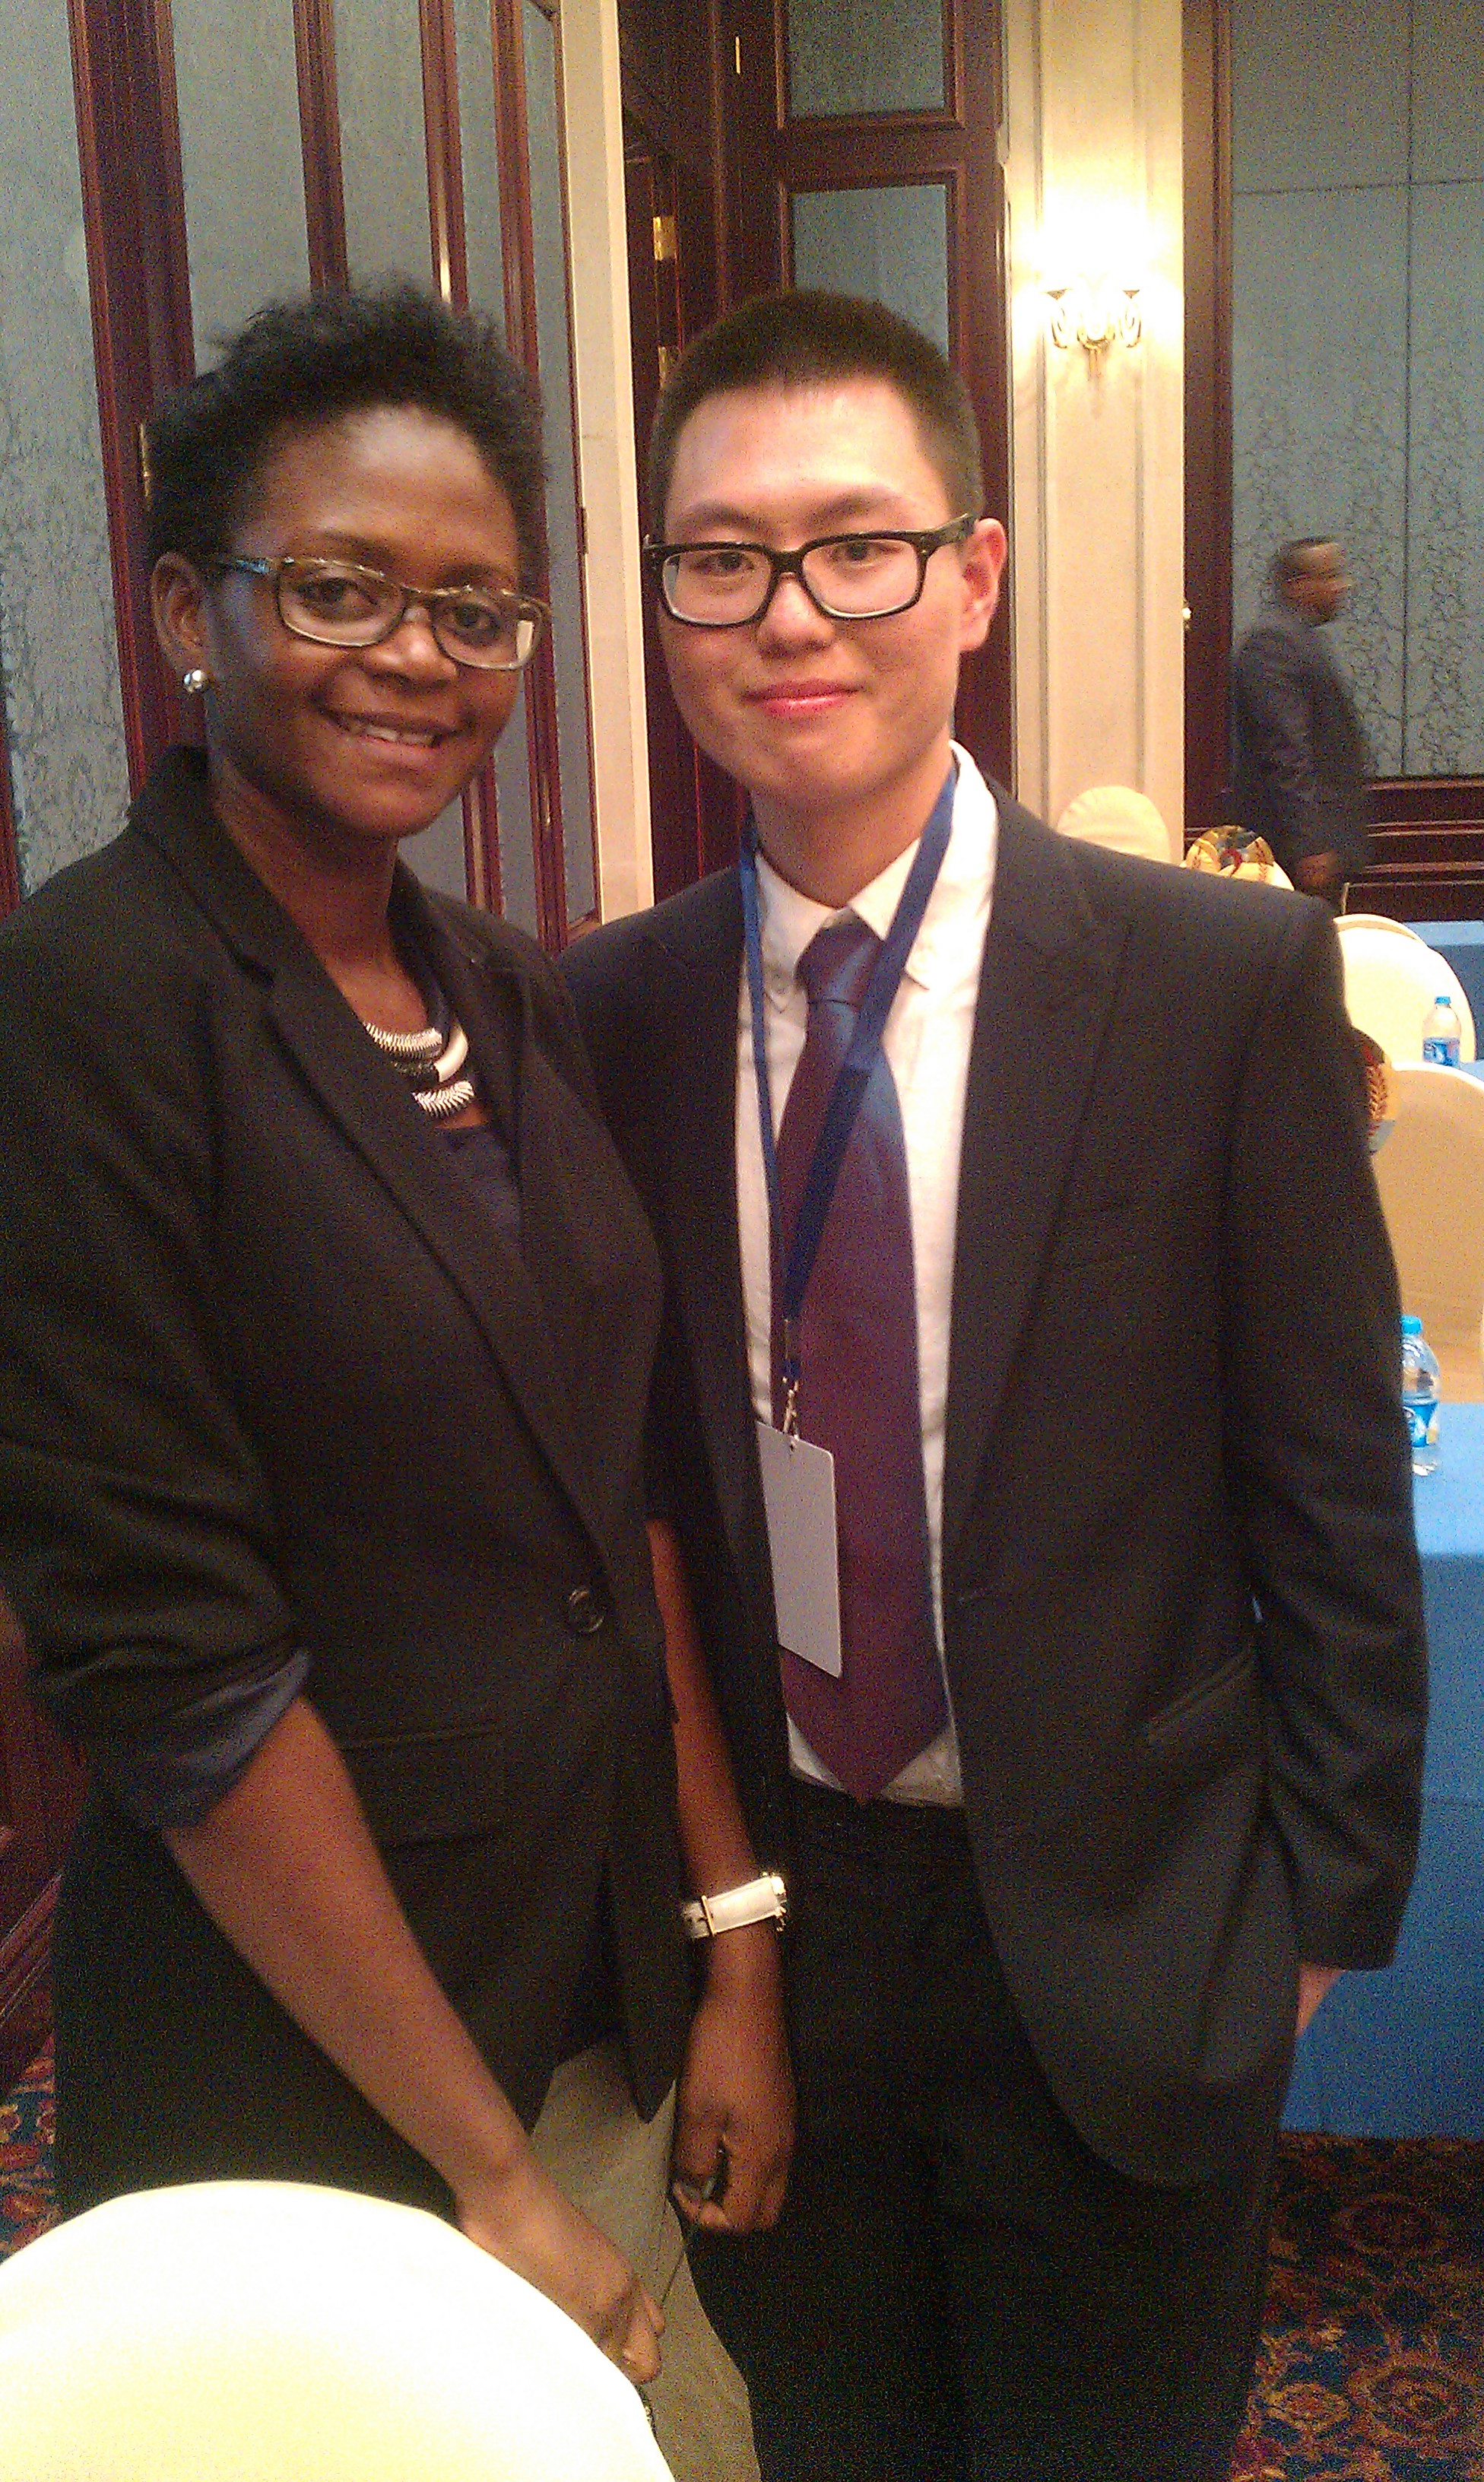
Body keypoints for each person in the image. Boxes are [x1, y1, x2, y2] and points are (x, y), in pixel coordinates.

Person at [563, 291, 1427, 2482]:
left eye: (854, 544)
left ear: (973, 573)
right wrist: (718, 1930)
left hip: (1128, 1936)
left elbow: (1329, 1494)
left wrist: (1294, 1942)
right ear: (662, 599)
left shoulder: (1210, 981)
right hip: (785, 1938)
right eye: (718, 557)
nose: (787, 612)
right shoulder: (615, 1014)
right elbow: (643, 1492)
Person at [0, 281, 775, 2476]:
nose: (418, 657)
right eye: (340, 588)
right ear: (190, 609)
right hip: (315, 2056)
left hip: (584, 1974)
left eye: (476, 609)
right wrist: (489, 2174)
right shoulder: (86, 1001)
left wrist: (730, 1940)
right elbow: (179, 1671)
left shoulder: (498, 988)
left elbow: (615, 1491)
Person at [1229, 537, 1373, 907]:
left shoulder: (1297, 639)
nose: (1342, 586)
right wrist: (1310, 845)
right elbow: (1286, 752)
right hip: (1294, 852)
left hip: (1311, 845)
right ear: (1297, 585)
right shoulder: (1273, 646)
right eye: (1331, 576)